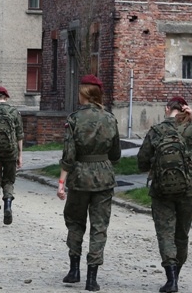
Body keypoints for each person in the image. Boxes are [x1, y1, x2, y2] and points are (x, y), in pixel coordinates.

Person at [137, 96, 192, 293]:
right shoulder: (189, 130)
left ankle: (170, 279)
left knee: (165, 233)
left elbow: (142, 161)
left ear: (167, 109)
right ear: (184, 110)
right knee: (181, 234)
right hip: (187, 189)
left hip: (161, 190)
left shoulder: (156, 131)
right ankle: (177, 276)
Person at [57, 74, 121, 292]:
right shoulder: (110, 118)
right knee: (99, 226)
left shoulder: (74, 119)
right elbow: (116, 154)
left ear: (84, 94)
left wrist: (61, 181)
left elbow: (69, 154)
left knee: (75, 222)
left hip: (79, 177)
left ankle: (74, 270)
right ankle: (92, 278)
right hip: (104, 177)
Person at [0, 86, 24, 227]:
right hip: (11, 151)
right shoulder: (14, 112)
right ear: (7, 97)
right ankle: (8, 205)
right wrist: (20, 154)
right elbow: (19, 134)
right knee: (9, 181)